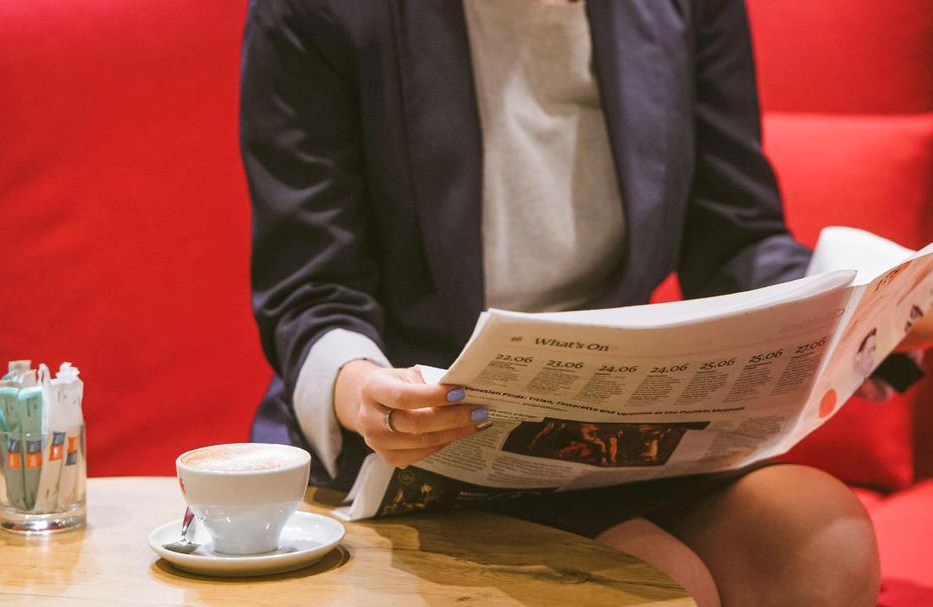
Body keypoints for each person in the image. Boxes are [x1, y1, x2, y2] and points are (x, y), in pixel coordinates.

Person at [239, 1, 932, 605]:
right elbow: (313, 288)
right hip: (427, 442)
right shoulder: (317, 9)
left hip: (616, 430)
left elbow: (734, 242)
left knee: (820, 542)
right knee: (657, 582)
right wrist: (365, 391)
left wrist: (876, 312)